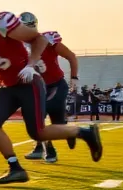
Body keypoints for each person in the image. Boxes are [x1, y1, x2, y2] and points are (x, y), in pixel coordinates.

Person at [0, 0, 102, 184]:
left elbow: (38, 38)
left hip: (27, 82)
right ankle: (15, 168)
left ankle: (84, 132)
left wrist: (30, 65)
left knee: (37, 132)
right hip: (8, 86)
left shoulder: (1, 23)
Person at [18, 13, 79, 162]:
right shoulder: (18, 45)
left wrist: (74, 77)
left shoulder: (48, 39)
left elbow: (71, 56)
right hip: (37, 87)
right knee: (37, 118)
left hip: (56, 85)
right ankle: (46, 150)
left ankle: (70, 131)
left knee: (56, 123)